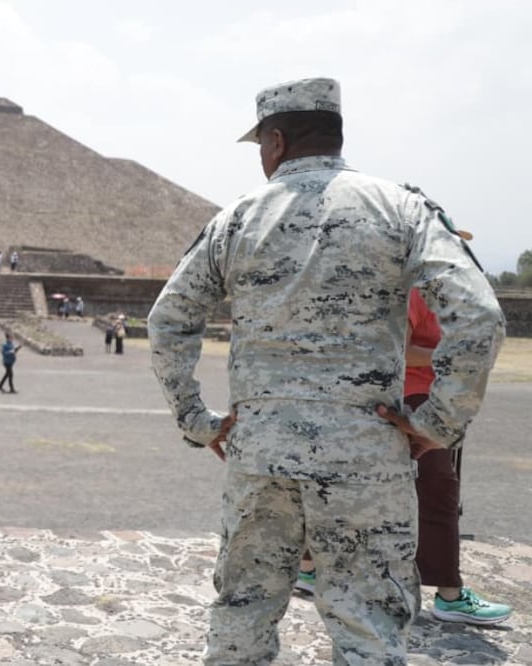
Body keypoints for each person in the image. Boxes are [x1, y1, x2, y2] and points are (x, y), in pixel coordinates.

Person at [147, 77, 503, 665]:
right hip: (367, 455)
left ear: (277, 141)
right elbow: (479, 315)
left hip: (260, 453)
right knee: (367, 621)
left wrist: (198, 420)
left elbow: (168, 323)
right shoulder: (402, 208)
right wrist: (437, 423)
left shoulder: (236, 219)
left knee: (245, 610)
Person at [297, 287, 512, 625]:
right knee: (437, 489)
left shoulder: (442, 288)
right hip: (411, 397)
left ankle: (308, 567)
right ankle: (450, 595)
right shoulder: (415, 288)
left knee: (356, 483)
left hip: (420, 396)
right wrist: (451, 354)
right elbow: (396, 349)